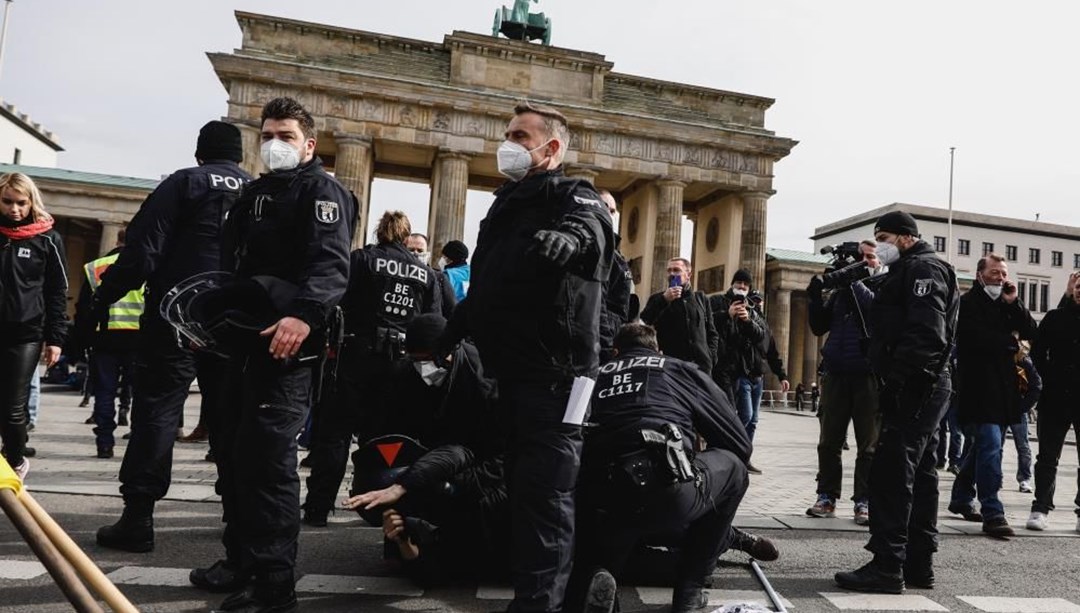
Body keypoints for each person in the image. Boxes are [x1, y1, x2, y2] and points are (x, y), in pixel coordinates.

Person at [438, 101, 614, 613]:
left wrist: (570, 238)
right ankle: (543, 595)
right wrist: (450, 332)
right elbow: (488, 287)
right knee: (524, 491)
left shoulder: (572, 193)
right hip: (513, 376)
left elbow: (594, 229)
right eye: (508, 133)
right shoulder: (504, 206)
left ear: (551, 147)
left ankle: (539, 605)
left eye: (519, 135)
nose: (508, 143)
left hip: (558, 377)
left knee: (546, 495)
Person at [189, 97, 356, 613]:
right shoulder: (253, 193)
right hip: (242, 343)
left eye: (284, 135)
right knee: (236, 458)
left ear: (309, 144)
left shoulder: (322, 191)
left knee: (268, 464)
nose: (272, 144)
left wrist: (304, 315)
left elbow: (330, 265)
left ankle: (274, 585)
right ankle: (240, 560)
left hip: (288, 347)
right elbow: (233, 269)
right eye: (265, 135)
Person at [94, 121, 252, 553]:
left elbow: (141, 254)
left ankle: (139, 517)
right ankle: (236, 518)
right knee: (230, 418)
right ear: (240, 155)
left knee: (158, 413)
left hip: (174, 316)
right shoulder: (259, 192)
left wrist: (101, 300)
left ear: (200, 152)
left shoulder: (184, 183)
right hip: (234, 322)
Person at [568, 323, 754, 613]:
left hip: (598, 494)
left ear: (616, 351)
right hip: (664, 485)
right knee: (734, 471)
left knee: (614, 526)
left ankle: (600, 574)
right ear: (658, 350)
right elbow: (739, 444)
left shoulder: (592, 375)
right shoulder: (679, 369)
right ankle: (690, 589)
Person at [835, 210, 958, 594]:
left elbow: (927, 333)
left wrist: (902, 381)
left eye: (884, 237)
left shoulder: (923, 270)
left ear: (905, 237)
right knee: (920, 474)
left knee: (892, 471)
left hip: (917, 384)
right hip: (923, 383)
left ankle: (887, 565)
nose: (880, 245)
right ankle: (918, 564)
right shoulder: (909, 270)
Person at [341, 313, 505, 583]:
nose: (425, 368)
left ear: (450, 351)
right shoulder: (403, 376)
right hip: (431, 458)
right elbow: (385, 433)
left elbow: (497, 453)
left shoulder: (483, 380)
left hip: (482, 465)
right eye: (417, 360)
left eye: (430, 359)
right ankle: (405, 542)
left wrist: (447, 486)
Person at [302, 211, 440, 527]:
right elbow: (431, 321)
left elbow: (337, 300)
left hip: (356, 356)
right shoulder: (425, 273)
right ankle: (374, 504)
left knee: (335, 435)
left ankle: (318, 507)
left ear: (380, 232)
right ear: (407, 238)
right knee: (383, 439)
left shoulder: (361, 259)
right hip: (400, 364)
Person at [947, 254, 1036, 538]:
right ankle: (993, 511)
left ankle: (961, 497)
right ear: (980, 275)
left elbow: (1031, 332)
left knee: (981, 448)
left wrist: (1015, 303)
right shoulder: (967, 304)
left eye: (1003, 273)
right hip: (977, 389)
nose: (1000, 278)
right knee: (991, 446)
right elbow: (974, 339)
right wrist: (1010, 344)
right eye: (995, 272)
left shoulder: (1006, 304)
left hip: (1005, 392)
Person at [804, 240, 880, 526]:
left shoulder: (883, 285)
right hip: (836, 372)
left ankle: (865, 500)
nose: (863, 263)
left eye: (869, 258)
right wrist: (814, 297)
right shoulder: (840, 294)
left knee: (869, 445)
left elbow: (873, 311)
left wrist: (852, 280)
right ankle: (826, 496)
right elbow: (818, 327)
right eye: (859, 258)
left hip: (868, 374)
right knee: (829, 442)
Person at [0, 172, 68, 482]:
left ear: (31, 202)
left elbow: (56, 292)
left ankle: (15, 461)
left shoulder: (47, 239)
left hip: (25, 333)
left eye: (21, 203)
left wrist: (55, 339)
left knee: (13, 407)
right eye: (7, 202)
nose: (14, 209)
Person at [712, 268, 789, 473]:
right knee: (743, 416)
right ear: (732, 284)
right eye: (739, 284)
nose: (742, 288)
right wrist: (728, 316)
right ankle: (734, 455)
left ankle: (744, 457)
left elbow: (767, 345)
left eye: (746, 286)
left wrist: (781, 374)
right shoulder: (719, 303)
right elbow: (715, 332)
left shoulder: (756, 315)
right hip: (739, 372)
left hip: (757, 373)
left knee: (753, 420)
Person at [75, 228, 143, 459]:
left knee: (104, 393)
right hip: (139, 339)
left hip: (105, 338)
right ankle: (138, 437)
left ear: (117, 240)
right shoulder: (146, 265)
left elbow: (83, 309)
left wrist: (83, 340)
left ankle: (104, 443)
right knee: (141, 393)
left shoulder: (96, 266)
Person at [1026, 274, 1080, 533]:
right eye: (1079, 287)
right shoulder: (1055, 318)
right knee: (1047, 457)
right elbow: (1036, 353)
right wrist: (1047, 378)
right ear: (1072, 290)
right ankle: (1040, 507)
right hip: (1055, 397)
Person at [640, 257, 717, 374]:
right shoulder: (657, 298)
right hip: (671, 367)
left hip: (701, 368)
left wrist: (710, 357)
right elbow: (643, 323)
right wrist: (664, 300)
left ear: (688, 274)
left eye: (676, 270)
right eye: (669, 270)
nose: (671, 274)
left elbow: (712, 333)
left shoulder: (701, 298)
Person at [596, 190, 634, 361]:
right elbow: (597, 302)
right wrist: (607, 344)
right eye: (606, 208)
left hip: (616, 334)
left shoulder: (614, 251)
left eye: (613, 211)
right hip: (601, 340)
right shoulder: (596, 247)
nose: (611, 215)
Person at [1010, 340, 1040, 494]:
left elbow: (1036, 386)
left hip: (1017, 407)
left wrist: (1024, 406)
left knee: (1022, 445)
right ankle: (995, 477)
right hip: (1003, 406)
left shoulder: (1025, 362)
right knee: (996, 445)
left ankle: (1025, 478)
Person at [406, 232, 456, 318]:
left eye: (420, 250)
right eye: (411, 250)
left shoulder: (439, 278)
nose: (415, 253)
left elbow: (451, 309)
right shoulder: (396, 274)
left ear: (427, 254)